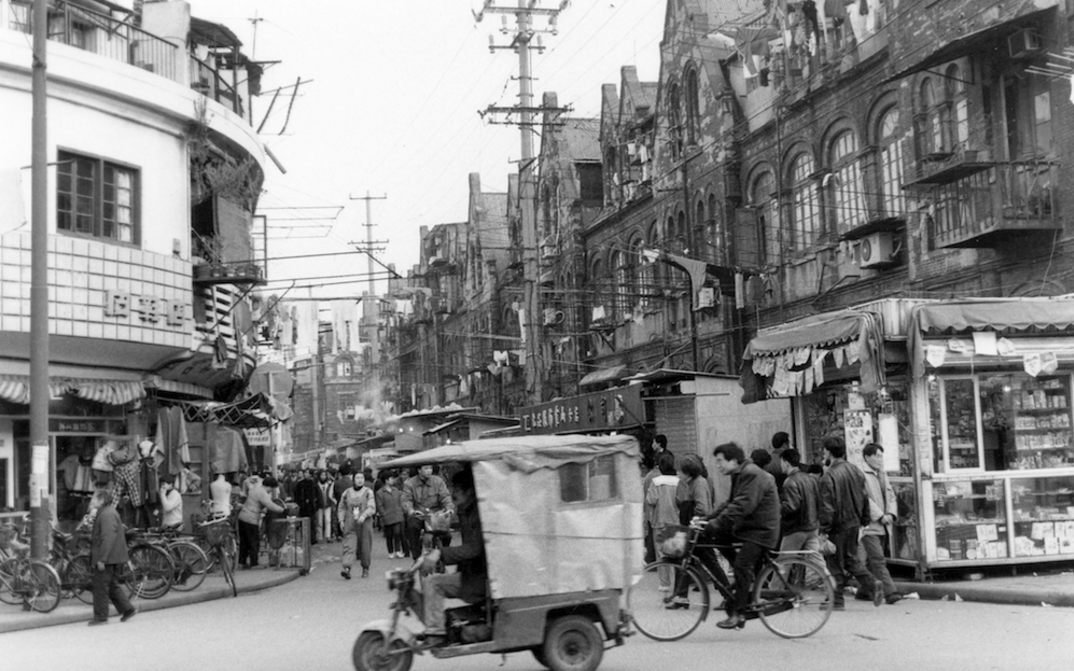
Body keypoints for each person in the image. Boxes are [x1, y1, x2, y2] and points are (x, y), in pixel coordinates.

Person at [697, 442, 780, 630]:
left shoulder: (751, 473)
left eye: (720, 461)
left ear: (734, 461)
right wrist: (708, 519)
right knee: (719, 538)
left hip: (761, 531)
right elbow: (730, 502)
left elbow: (742, 505)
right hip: (750, 528)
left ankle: (739, 614)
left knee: (742, 565)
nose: (717, 466)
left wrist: (715, 523)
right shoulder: (740, 473)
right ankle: (744, 579)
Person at [818, 436, 884, 610]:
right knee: (850, 560)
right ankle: (872, 583)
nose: (823, 453)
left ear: (829, 452)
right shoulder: (855, 471)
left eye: (824, 450)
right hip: (854, 523)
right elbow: (864, 497)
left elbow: (827, 507)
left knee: (834, 563)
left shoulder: (829, 476)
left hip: (838, 525)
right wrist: (864, 519)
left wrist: (824, 529)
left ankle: (836, 600)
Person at [420, 468, 486, 639]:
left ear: (469, 491)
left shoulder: (478, 513)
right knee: (432, 579)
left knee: (432, 583)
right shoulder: (467, 509)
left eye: (456, 489)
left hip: (480, 578)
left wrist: (440, 554)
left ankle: (436, 632)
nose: (452, 492)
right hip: (473, 573)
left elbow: (474, 549)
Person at [87, 489, 137, 625]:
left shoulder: (106, 515)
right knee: (110, 586)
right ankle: (127, 609)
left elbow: (107, 538)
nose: (92, 501)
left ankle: (101, 616)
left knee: (101, 587)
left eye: (94, 499)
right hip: (113, 556)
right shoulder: (107, 513)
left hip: (108, 558)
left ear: (102, 501)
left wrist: (102, 559)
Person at [861, 443, 902, 604]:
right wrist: (879, 515)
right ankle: (891, 592)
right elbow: (864, 499)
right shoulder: (861, 474)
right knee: (878, 559)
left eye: (881, 456)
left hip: (884, 524)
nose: (879, 459)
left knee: (873, 560)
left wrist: (891, 513)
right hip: (869, 525)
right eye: (876, 456)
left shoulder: (881, 473)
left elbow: (891, 495)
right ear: (867, 457)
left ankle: (864, 590)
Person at [401, 464, 453, 560]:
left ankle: (443, 556)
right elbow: (406, 500)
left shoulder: (438, 481)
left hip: (435, 514)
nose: (429, 470)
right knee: (412, 528)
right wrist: (411, 510)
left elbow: (445, 496)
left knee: (447, 536)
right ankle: (416, 556)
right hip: (419, 514)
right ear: (419, 470)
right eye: (426, 468)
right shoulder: (410, 483)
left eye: (430, 468)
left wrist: (448, 508)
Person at [646, 452, 679, 593]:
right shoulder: (679, 481)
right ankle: (679, 582)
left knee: (661, 554)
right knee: (676, 552)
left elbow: (651, 500)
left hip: (659, 521)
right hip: (676, 521)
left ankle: (665, 583)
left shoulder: (656, 482)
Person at [778, 448, 821, 555]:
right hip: (813, 526)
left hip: (796, 529)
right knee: (815, 562)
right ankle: (823, 572)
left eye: (781, 462)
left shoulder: (789, 482)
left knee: (784, 563)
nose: (780, 465)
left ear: (786, 462)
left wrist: (777, 507)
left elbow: (791, 506)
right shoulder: (810, 479)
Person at [237, 475, 284, 569]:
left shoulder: (255, 489)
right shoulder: (262, 493)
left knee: (244, 542)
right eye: (272, 488)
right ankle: (254, 563)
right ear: (269, 486)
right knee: (254, 541)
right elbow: (270, 505)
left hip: (242, 517)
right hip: (251, 519)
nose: (271, 491)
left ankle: (241, 563)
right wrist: (282, 510)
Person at [338, 471, 376, 579]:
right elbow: (341, 507)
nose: (360, 480)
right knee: (349, 545)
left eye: (362, 478)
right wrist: (341, 520)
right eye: (357, 478)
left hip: (365, 523)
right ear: (353, 479)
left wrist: (364, 516)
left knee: (365, 546)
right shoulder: (346, 493)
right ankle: (347, 568)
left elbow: (372, 507)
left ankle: (365, 568)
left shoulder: (368, 492)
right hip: (350, 522)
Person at [376, 471, 406, 558]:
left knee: (397, 533)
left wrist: (402, 510)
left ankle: (397, 550)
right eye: (391, 478)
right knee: (389, 535)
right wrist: (383, 514)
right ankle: (390, 551)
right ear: (386, 480)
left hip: (397, 515)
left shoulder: (396, 490)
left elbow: (401, 500)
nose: (393, 480)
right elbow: (379, 505)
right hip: (387, 516)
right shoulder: (380, 493)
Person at [293, 469, 320, 545]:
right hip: (303, 507)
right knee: (303, 523)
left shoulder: (313, 484)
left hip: (311, 507)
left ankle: (312, 539)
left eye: (307, 473)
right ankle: (305, 538)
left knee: (312, 524)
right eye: (305, 472)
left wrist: (316, 504)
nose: (305, 474)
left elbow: (317, 495)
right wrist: (299, 502)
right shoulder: (300, 484)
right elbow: (296, 494)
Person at [316, 470, 337, 543]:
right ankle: (320, 537)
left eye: (324, 475)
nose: (323, 477)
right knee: (319, 522)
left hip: (328, 505)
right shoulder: (317, 485)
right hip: (319, 506)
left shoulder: (329, 485)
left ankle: (328, 536)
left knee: (328, 520)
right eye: (322, 475)